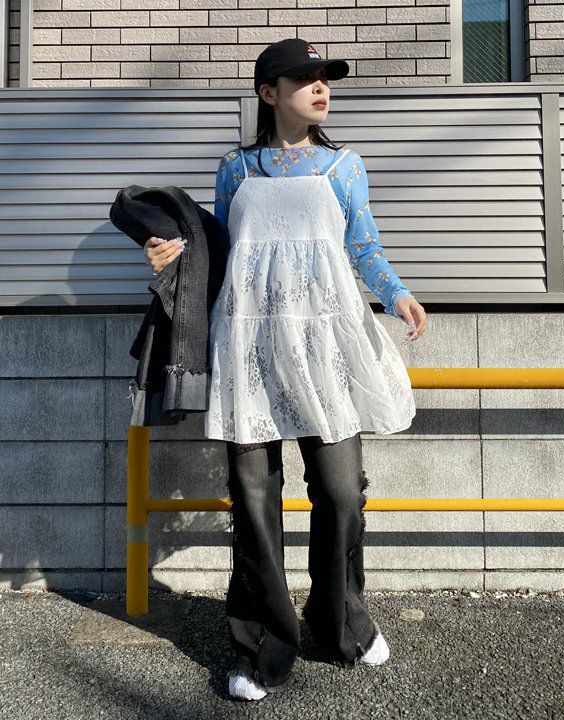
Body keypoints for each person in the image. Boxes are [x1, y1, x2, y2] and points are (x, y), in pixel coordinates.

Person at [144, 38, 428, 701]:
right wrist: (170, 256)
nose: (320, 87)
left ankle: (341, 623)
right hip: (248, 343)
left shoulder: (345, 165)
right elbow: (218, 249)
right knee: (253, 497)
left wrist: (396, 293)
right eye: (304, 79)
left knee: (340, 491)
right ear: (268, 93)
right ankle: (261, 647)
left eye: (325, 78)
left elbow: (362, 244)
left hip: (325, 344)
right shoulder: (236, 168)